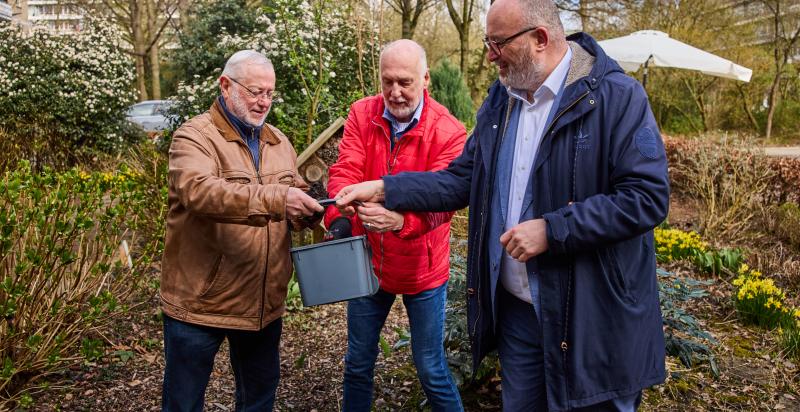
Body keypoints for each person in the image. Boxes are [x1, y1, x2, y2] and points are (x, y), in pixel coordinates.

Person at [335, 0, 670, 410]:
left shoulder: (617, 98)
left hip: (591, 319)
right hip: (519, 318)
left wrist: (553, 229)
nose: (490, 56)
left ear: (540, 39)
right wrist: (386, 188)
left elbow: (646, 197)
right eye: (487, 43)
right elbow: (461, 179)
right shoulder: (502, 99)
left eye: (498, 43)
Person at [160, 49, 323, 412]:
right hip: (201, 302)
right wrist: (279, 199)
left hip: (262, 303)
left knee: (258, 401)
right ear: (225, 85)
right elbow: (200, 192)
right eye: (255, 91)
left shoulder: (279, 141)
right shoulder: (194, 137)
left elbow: (290, 192)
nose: (264, 102)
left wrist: (309, 211)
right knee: (183, 403)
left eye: (270, 93)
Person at [324, 39, 467, 411]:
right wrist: (340, 217)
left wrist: (403, 221)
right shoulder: (362, 113)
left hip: (423, 267)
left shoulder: (449, 132)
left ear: (425, 79)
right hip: (370, 262)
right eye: (387, 81)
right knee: (358, 362)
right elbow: (346, 170)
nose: (395, 92)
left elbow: (445, 201)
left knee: (430, 367)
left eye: (405, 82)